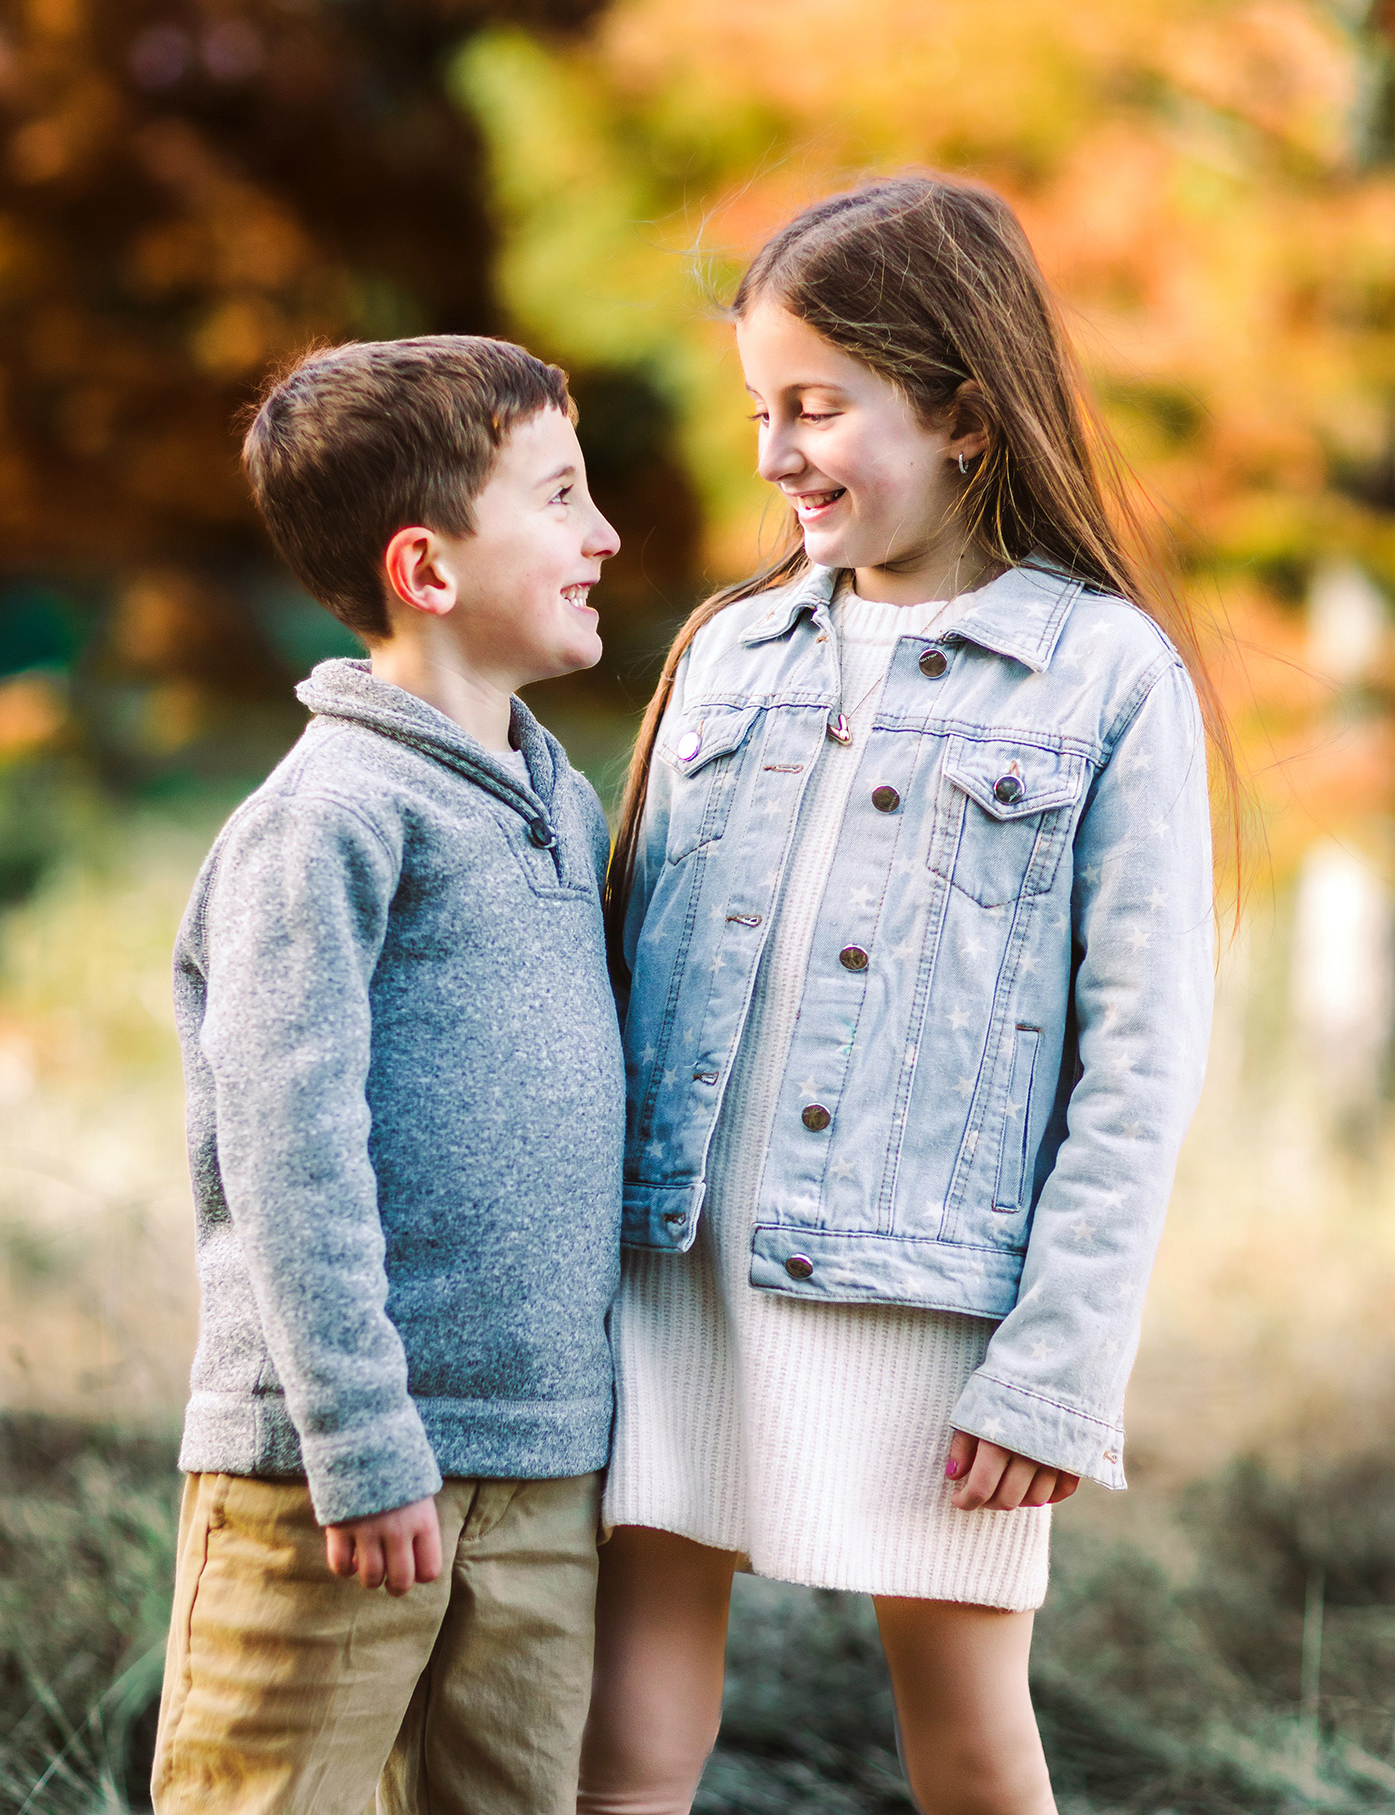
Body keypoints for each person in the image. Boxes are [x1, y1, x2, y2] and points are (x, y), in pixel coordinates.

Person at [579, 176, 1218, 1815]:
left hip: (937, 1301)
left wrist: (1056, 1366)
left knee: (969, 1733)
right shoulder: (726, 652)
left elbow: (1142, 1060)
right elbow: (623, 967)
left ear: (965, 417)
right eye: (760, 410)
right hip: (673, 1270)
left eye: (816, 408)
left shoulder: (1105, 677)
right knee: (625, 1732)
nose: (774, 453)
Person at [151, 336, 625, 1815]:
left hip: (540, 1467)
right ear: (426, 569)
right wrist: (359, 1439)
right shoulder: (330, 819)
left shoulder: (561, 800)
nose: (607, 535)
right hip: (331, 1476)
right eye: (561, 497)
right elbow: (282, 1147)